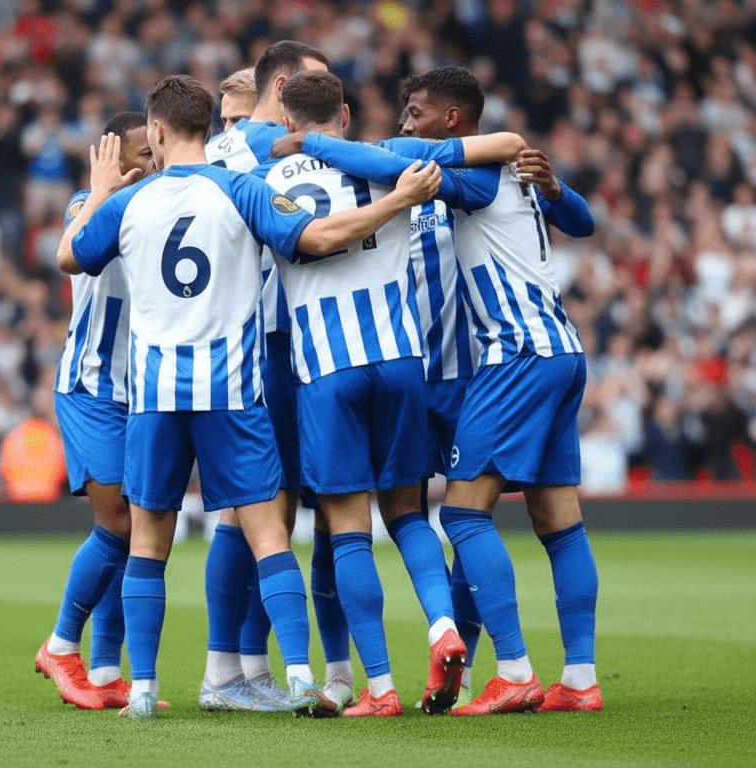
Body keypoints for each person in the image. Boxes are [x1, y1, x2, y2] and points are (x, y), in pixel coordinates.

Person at [57, 74, 442, 719]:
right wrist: (393, 203)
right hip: (232, 391)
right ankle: (296, 678)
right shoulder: (243, 188)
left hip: (154, 395)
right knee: (270, 535)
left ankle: (144, 692)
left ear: (154, 132)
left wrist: (98, 192)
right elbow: (316, 238)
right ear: (211, 128)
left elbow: (70, 257)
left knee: (149, 542)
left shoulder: (132, 200)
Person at [285, 64, 600, 714]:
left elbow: (390, 158)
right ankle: (579, 677)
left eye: (416, 111)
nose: (405, 122)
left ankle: (510, 671)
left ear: (452, 118)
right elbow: (583, 219)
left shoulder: (475, 173)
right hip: (555, 350)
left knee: (458, 514)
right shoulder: (507, 171)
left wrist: (303, 141)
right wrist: (558, 187)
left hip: (503, 359)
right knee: (555, 520)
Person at [258, 69, 525, 717]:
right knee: (409, 514)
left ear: (286, 122)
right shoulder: (391, 159)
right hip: (402, 361)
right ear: (346, 116)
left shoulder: (263, 183)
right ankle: (443, 627)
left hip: (328, 368)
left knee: (348, 527)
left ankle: (378, 687)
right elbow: (499, 146)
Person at [197, 40, 330, 714]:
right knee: (258, 508)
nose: (323, 103)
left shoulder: (231, 147)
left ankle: (242, 668)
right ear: (282, 89)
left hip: (251, 346)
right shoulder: (252, 143)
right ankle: (232, 670)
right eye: (314, 88)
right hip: (266, 345)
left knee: (257, 509)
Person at [35, 112, 156, 712]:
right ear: (109, 158)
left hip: (144, 394)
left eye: (153, 151)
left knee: (130, 532)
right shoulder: (88, 203)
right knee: (122, 524)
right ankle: (60, 645)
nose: (148, 162)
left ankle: (108, 670)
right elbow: (78, 251)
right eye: (135, 154)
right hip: (92, 388)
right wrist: (111, 184)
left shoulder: (168, 202)